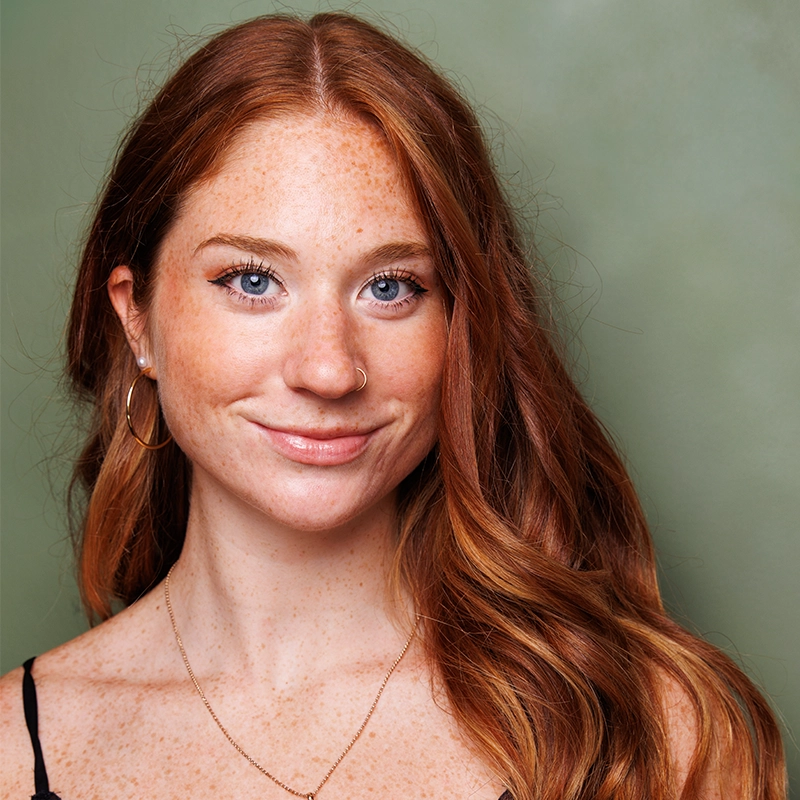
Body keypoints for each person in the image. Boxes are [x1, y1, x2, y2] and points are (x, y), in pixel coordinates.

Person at [0, 12, 786, 800]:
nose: (329, 369)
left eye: (390, 288)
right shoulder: (11, 754)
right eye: (251, 280)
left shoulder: (652, 734)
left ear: (461, 325)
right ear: (136, 317)